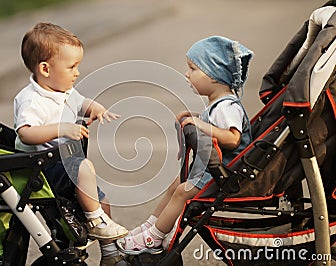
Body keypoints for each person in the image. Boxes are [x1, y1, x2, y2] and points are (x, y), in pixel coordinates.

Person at [117, 36, 253, 255]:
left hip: (225, 172)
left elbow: (232, 139)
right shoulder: (217, 105)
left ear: (215, 76)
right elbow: (214, 127)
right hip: (211, 168)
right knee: (176, 185)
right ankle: (151, 224)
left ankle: (154, 237)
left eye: (193, 69)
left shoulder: (227, 106)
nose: (186, 74)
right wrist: (197, 117)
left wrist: (200, 124)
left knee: (182, 192)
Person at [14, 22, 128, 265]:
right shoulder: (31, 100)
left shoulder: (62, 90)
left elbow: (81, 102)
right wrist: (61, 129)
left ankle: (109, 254)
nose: (77, 73)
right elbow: (25, 133)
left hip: (64, 163)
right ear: (45, 69)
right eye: (72, 66)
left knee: (103, 199)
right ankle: (96, 222)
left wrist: (95, 108)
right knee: (85, 167)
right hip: (43, 169)